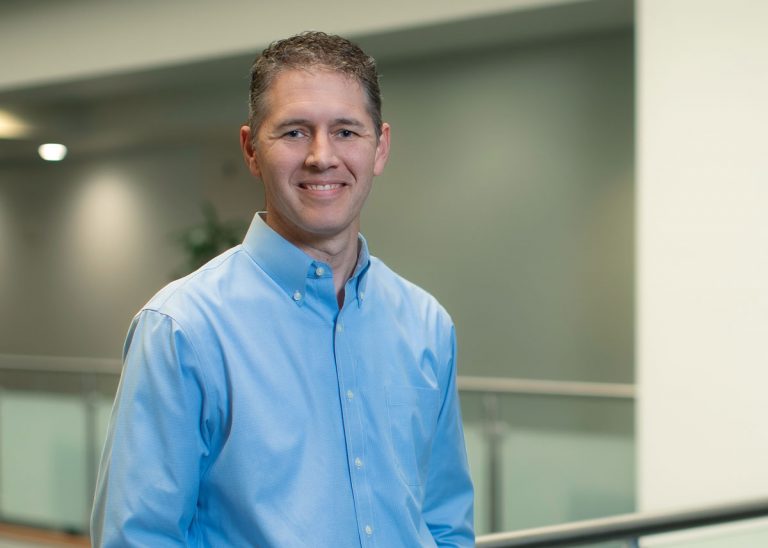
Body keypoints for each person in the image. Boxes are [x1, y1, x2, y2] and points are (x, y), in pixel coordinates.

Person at [91, 31, 474, 547]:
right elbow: (138, 538)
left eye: (346, 131)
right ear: (251, 149)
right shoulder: (183, 329)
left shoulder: (427, 324)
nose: (322, 156)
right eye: (294, 132)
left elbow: (445, 524)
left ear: (379, 147)